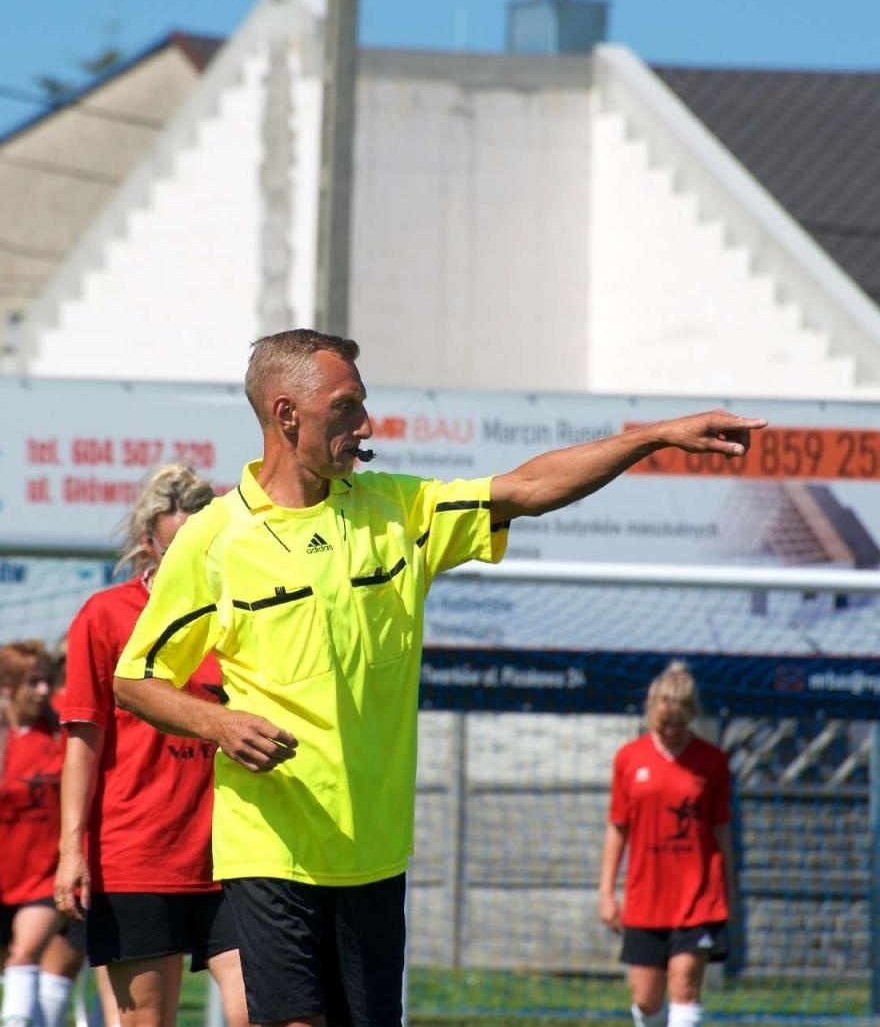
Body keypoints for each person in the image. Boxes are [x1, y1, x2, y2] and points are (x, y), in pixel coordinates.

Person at [111, 329, 766, 1027]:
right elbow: (137, 677)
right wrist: (219, 723)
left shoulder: (399, 511)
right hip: (272, 849)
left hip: (374, 852)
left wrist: (655, 437)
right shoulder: (216, 539)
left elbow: (529, 488)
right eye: (347, 407)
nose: (365, 425)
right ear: (286, 414)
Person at [55, 464, 250, 1027]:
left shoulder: (238, 613)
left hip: (232, 855)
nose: (192, 563)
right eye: (176, 548)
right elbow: (83, 742)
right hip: (137, 858)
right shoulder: (105, 616)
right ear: (148, 545)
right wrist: (71, 849)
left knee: (261, 1011)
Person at [0, 640, 81, 1027]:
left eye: (46, 681)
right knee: (14, 973)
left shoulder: (61, 732)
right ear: (7, 688)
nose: (44, 691)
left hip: (49, 873)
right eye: (34, 683)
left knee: (25, 956)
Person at [598, 662, 736, 1027]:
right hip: (647, 896)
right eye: (663, 725)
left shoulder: (713, 762)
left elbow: (721, 829)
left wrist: (728, 888)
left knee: (685, 985)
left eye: (679, 724)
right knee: (646, 1000)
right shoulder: (629, 759)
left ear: (692, 716)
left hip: (698, 896)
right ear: (650, 715)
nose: (672, 731)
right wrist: (607, 892)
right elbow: (617, 828)